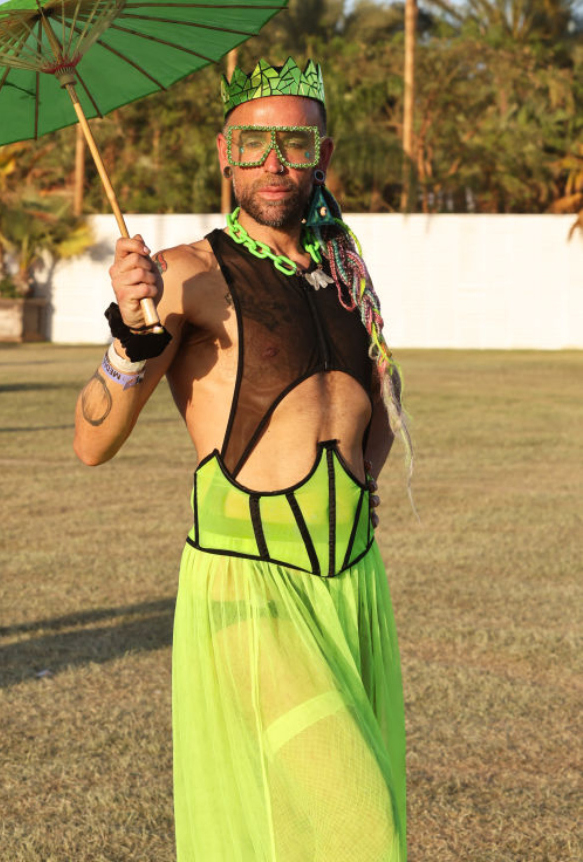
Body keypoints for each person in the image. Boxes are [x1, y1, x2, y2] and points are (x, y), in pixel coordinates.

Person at [74, 58, 414, 862]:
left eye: (294, 145)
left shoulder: (346, 277)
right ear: (223, 154)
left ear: (323, 157)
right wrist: (131, 329)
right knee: (350, 830)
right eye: (255, 143)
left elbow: (378, 411)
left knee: (356, 819)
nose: (275, 163)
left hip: (354, 582)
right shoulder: (189, 276)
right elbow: (92, 442)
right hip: (252, 586)